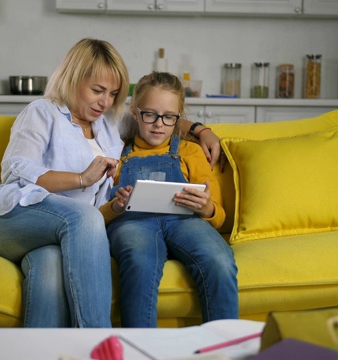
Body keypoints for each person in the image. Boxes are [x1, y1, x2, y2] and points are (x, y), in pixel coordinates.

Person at [0, 38, 224, 328]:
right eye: (97, 90)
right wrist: (81, 179)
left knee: (50, 270)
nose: (105, 101)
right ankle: (99, 341)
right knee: (86, 217)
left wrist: (200, 130)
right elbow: (16, 171)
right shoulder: (42, 112)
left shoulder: (108, 125)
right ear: (73, 78)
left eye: (113, 94)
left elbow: (156, 115)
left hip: (58, 234)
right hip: (7, 214)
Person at [100, 71, 239, 327]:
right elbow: (98, 215)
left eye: (168, 117)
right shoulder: (116, 151)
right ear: (135, 112)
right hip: (132, 223)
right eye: (149, 114)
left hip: (184, 221)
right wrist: (116, 206)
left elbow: (219, 217)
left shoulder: (190, 151)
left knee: (219, 260)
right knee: (140, 262)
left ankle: (224, 348)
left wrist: (206, 207)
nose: (158, 124)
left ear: (178, 118)